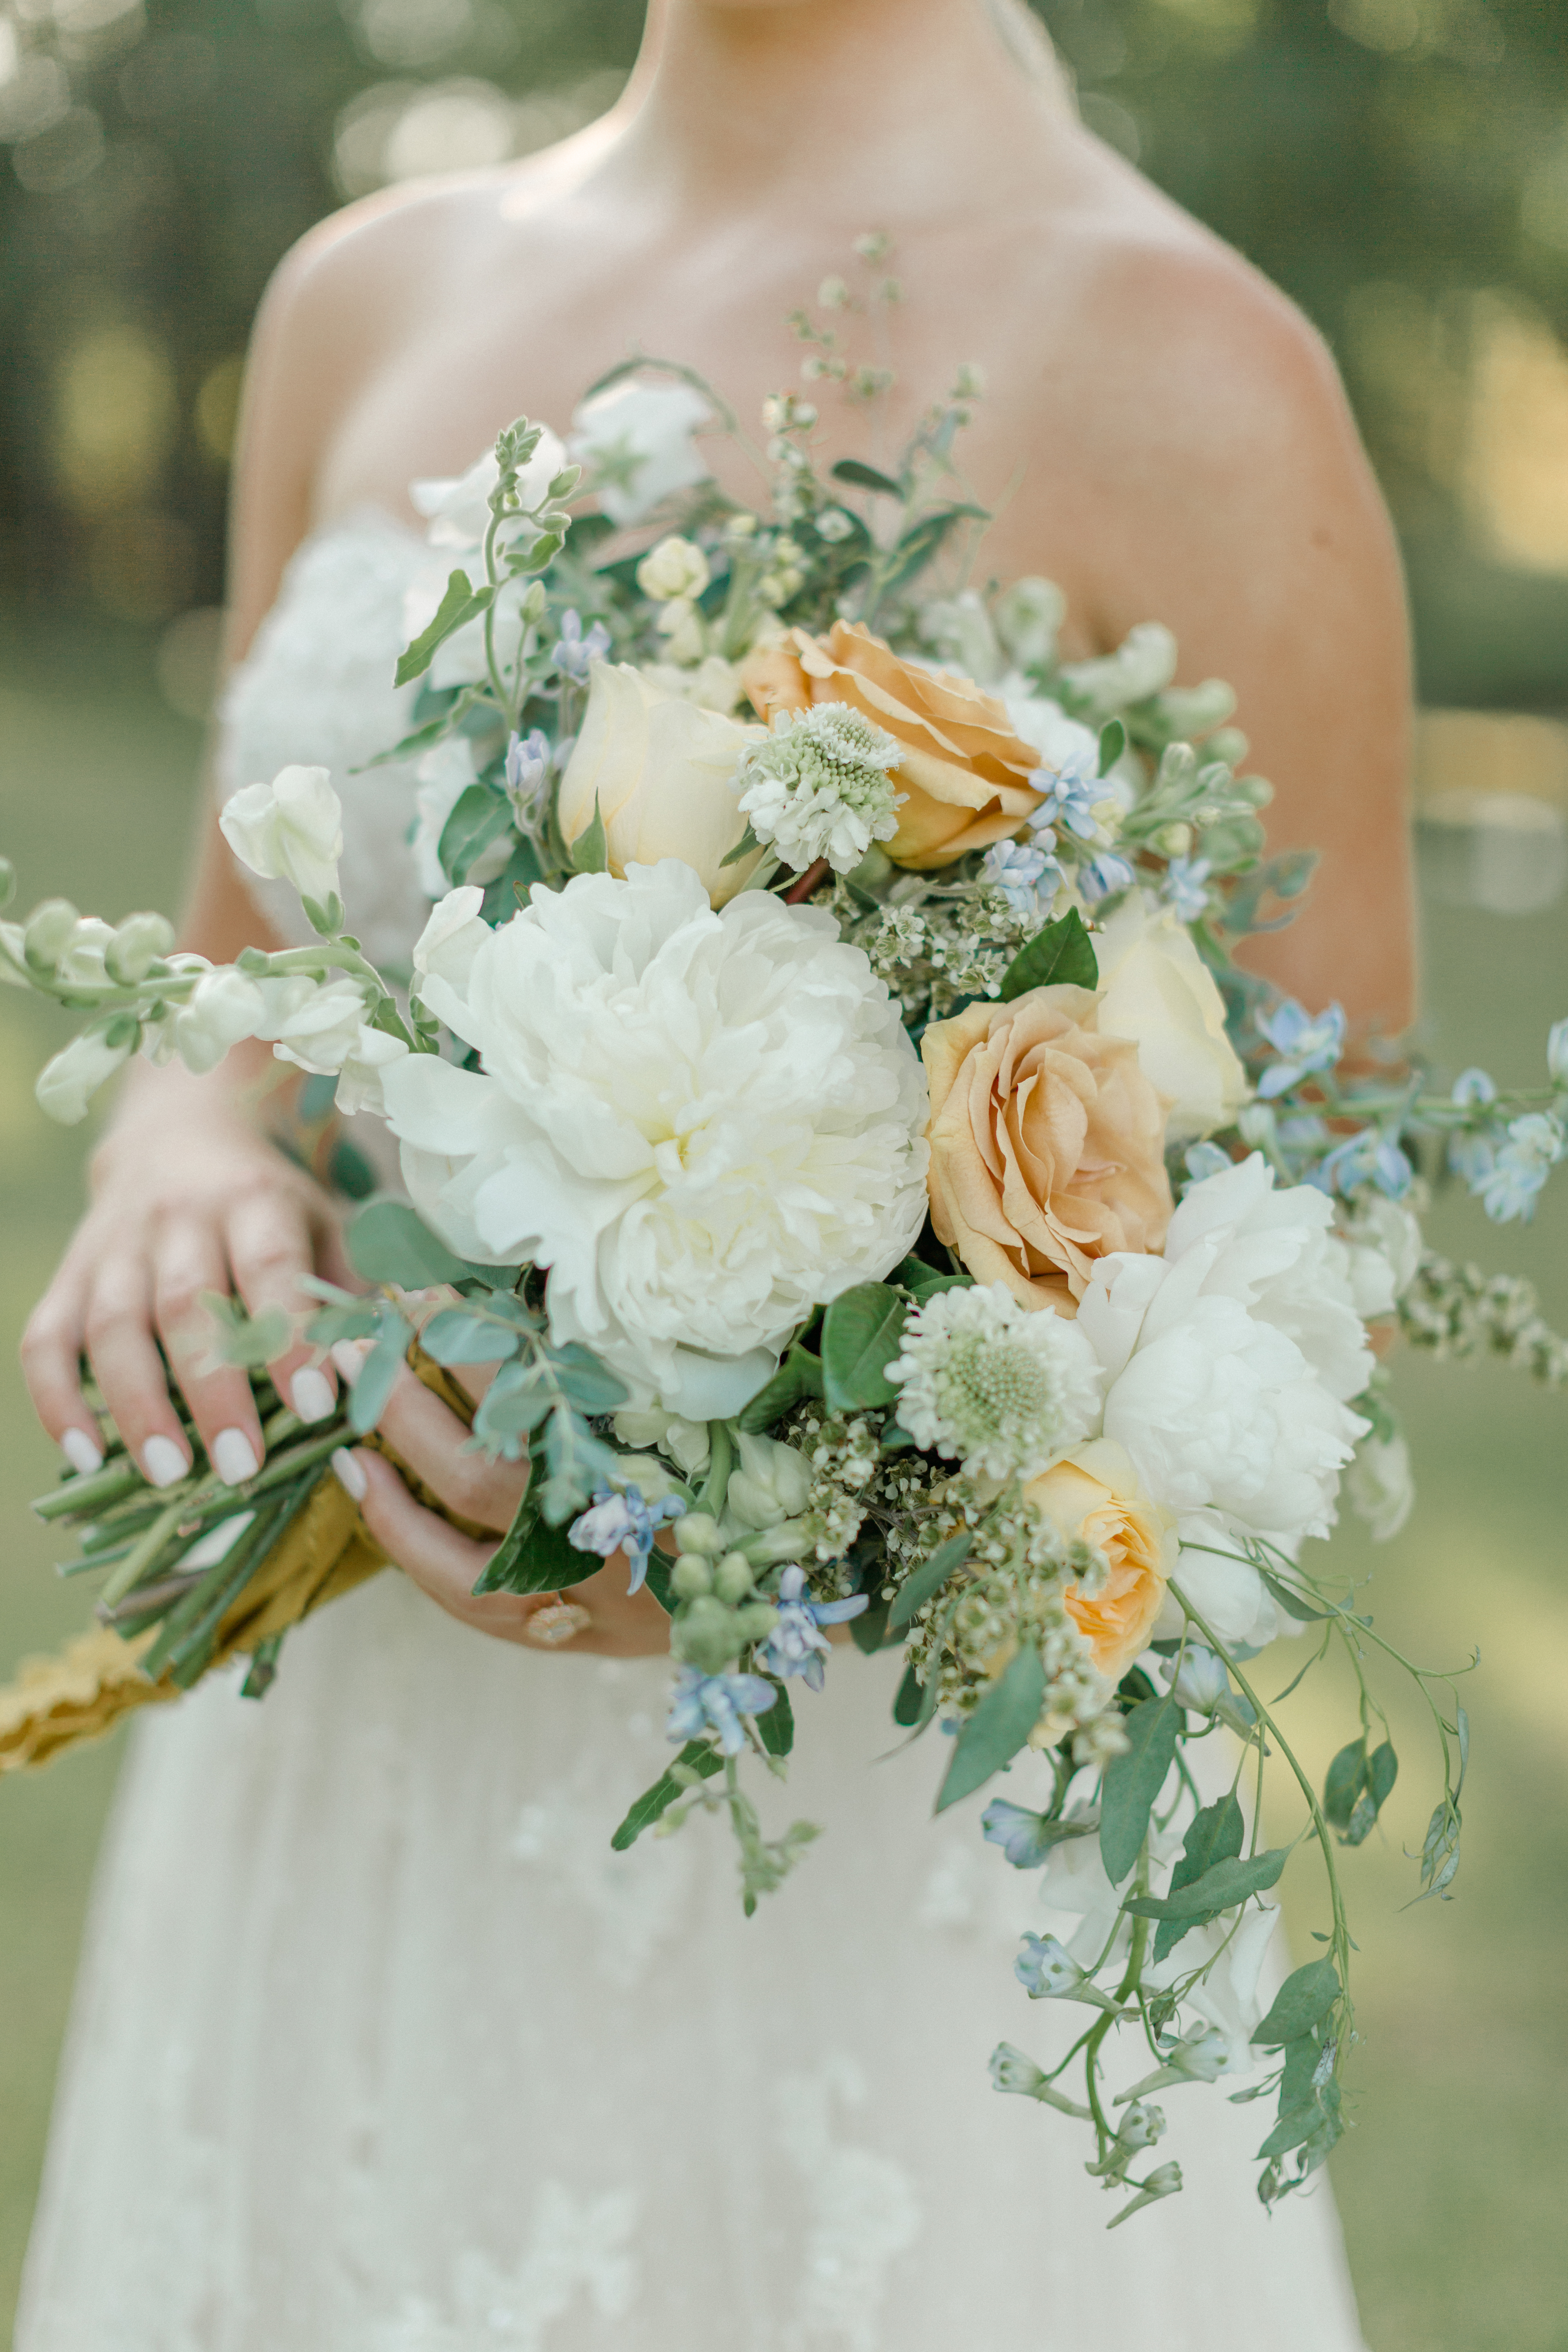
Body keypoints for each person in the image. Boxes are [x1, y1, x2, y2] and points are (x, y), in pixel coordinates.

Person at [16, 1, 1411, 2342]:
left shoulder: (1195, 367)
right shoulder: (362, 291)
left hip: (875, 1852)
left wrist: (825, 1527)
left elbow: (1323, 1228)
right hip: (352, 1774)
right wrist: (174, 1145)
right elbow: (233, 980)